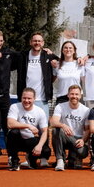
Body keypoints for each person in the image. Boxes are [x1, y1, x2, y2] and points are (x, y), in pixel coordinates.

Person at [15, 32, 57, 167]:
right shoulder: (23, 56)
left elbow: (63, 59)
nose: (37, 43)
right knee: (27, 129)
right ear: (30, 42)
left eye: (39, 41)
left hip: (42, 100)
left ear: (43, 43)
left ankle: (44, 158)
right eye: (35, 41)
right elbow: (7, 55)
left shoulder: (48, 56)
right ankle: (30, 157)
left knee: (44, 129)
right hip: (26, 100)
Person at [6, 88, 49, 171]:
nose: (26, 101)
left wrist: (39, 146)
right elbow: (10, 124)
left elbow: (44, 131)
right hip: (17, 140)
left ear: (34, 99)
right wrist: (28, 126)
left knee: (46, 151)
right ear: (21, 98)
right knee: (13, 132)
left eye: (29, 98)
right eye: (24, 98)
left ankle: (31, 159)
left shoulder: (40, 111)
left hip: (31, 140)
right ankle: (14, 160)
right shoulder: (14, 107)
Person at [50, 85, 90, 171]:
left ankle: (73, 158)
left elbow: (87, 129)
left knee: (82, 152)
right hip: (64, 137)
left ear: (80, 96)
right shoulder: (60, 106)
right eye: (72, 94)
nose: (74, 96)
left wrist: (83, 140)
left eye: (76, 94)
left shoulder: (86, 110)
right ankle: (60, 160)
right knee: (56, 130)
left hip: (77, 139)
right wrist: (63, 125)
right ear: (68, 95)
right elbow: (53, 122)